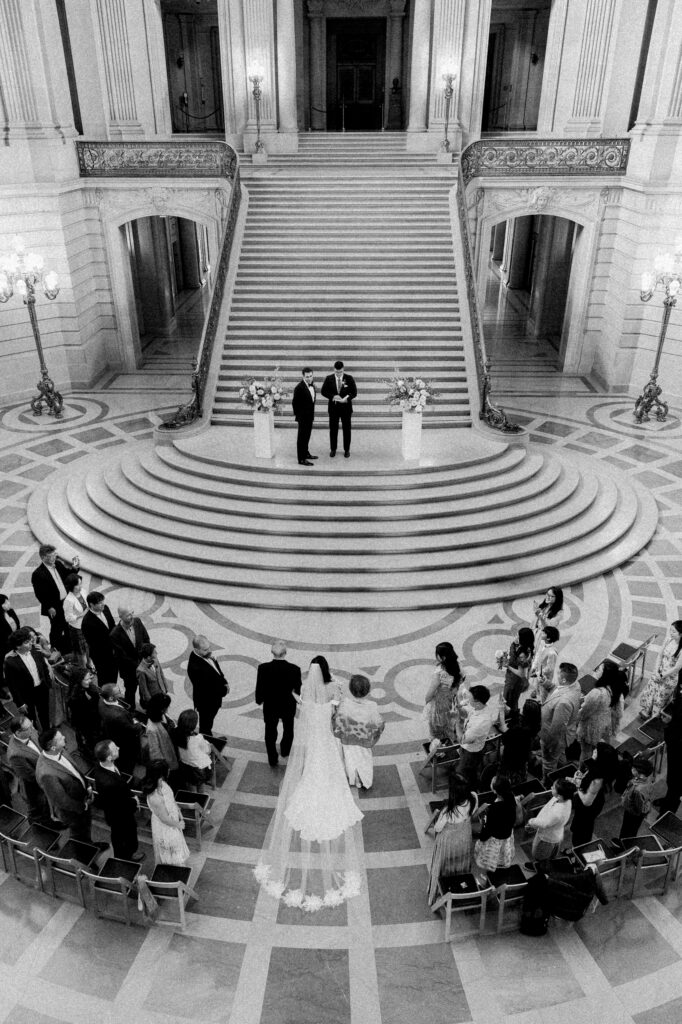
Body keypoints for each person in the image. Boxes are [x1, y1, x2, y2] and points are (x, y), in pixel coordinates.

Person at [254, 660, 364, 910]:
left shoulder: (305, 693)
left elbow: (301, 701)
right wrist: (332, 684)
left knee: (312, 767)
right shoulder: (333, 689)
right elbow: (338, 704)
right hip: (327, 737)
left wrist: (300, 695)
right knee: (329, 766)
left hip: (314, 739)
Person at [35, 727, 101, 845]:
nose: (65, 737)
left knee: (86, 830)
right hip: (73, 811)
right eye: (60, 738)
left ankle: (89, 845)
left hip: (82, 799)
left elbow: (75, 771)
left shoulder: (60, 750)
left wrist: (87, 786)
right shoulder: (46, 773)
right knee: (79, 834)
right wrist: (83, 807)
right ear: (53, 747)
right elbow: (62, 800)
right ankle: (82, 857)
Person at [427, 772, 478, 905]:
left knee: (441, 864)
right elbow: (472, 814)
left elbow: (437, 828)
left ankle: (438, 890)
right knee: (460, 860)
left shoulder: (448, 811)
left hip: (448, 841)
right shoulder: (473, 797)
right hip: (464, 836)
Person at [92, 739, 144, 861]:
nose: (119, 748)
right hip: (120, 815)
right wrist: (135, 802)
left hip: (115, 809)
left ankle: (125, 854)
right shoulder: (108, 783)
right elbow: (120, 803)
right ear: (109, 758)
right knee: (125, 836)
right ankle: (125, 859)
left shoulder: (103, 765)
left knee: (121, 836)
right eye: (115, 749)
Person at [255, 639, 302, 767]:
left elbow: (260, 687)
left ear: (272, 652)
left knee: (270, 731)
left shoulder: (263, 668)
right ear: (285, 652)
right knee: (288, 729)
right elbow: (298, 689)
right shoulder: (295, 669)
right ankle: (285, 751)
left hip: (270, 705)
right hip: (288, 705)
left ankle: (272, 757)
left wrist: (259, 700)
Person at [334, 674, 385, 789]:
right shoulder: (372, 705)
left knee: (350, 760)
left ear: (351, 690)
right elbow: (378, 723)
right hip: (364, 740)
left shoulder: (345, 703)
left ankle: (354, 779)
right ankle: (365, 780)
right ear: (368, 690)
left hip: (348, 740)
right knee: (364, 759)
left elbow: (338, 720)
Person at [30, 544, 79, 653]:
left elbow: (67, 574)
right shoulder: (38, 574)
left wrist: (75, 568)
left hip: (66, 601)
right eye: (52, 556)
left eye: (55, 555)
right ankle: (55, 649)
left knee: (68, 625)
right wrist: (49, 607)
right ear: (43, 557)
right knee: (57, 628)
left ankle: (68, 648)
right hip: (54, 606)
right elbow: (40, 594)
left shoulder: (57, 563)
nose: (55, 558)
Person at [570, 742, 619, 848]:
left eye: (597, 751)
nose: (594, 750)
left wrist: (578, 785)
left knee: (581, 830)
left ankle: (578, 852)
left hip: (589, 806)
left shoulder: (597, 779)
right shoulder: (599, 767)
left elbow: (587, 802)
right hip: (594, 798)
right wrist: (581, 777)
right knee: (583, 828)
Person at [4, 626, 52, 731]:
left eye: (29, 640)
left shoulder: (36, 650)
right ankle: (34, 734)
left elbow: (44, 667)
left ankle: (47, 733)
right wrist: (20, 703)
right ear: (17, 646)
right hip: (26, 694)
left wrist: (48, 682)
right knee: (31, 717)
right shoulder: (10, 662)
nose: (31, 643)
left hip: (42, 688)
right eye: (26, 642)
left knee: (44, 713)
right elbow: (12, 685)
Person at [539, 662, 582, 781]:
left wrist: (549, 746)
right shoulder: (575, 685)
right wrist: (546, 683)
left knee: (549, 762)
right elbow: (557, 689)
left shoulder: (564, 703)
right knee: (555, 757)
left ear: (563, 680)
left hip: (553, 738)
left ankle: (547, 782)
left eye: (558, 674)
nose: (556, 675)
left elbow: (557, 729)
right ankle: (557, 769)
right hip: (562, 734)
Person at [143, 760, 189, 865]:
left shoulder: (162, 783)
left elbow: (170, 799)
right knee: (170, 850)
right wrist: (179, 824)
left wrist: (177, 809)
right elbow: (164, 819)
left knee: (175, 849)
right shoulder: (155, 797)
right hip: (165, 827)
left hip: (172, 820)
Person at [6, 715, 50, 824]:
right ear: (18, 733)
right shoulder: (15, 754)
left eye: (31, 725)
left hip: (43, 772)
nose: (33, 729)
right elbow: (31, 776)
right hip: (33, 787)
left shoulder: (30, 731)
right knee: (37, 808)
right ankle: (37, 825)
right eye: (28, 728)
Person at [525, 777, 576, 868]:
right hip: (556, 834)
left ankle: (538, 867)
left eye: (553, 788)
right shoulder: (566, 799)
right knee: (550, 855)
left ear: (559, 796)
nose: (551, 787)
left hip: (547, 838)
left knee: (539, 856)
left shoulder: (558, 813)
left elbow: (544, 823)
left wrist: (531, 821)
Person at [187, 635, 229, 736]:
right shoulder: (195, 667)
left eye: (209, 647)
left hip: (213, 700)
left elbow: (215, 670)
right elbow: (209, 688)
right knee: (205, 727)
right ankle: (207, 741)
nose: (209, 651)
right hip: (206, 702)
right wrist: (224, 690)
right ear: (196, 649)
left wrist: (223, 680)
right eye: (205, 650)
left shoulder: (204, 655)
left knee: (208, 723)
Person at [639, 621, 682, 720]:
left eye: (674, 632)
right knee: (651, 691)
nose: (671, 633)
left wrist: (662, 675)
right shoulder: (668, 640)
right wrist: (656, 671)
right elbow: (660, 655)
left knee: (660, 698)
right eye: (670, 630)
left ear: (681, 634)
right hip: (659, 672)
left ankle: (654, 718)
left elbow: (677, 668)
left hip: (669, 678)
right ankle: (647, 710)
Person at [473, 774, 516, 873]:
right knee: (501, 855)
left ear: (495, 790)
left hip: (495, 838)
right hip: (506, 834)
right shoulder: (511, 798)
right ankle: (500, 867)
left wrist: (482, 836)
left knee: (491, 857)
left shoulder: (494, 808)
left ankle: (490, 874)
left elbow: (488, 827)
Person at [98, 683, 144, 775]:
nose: (120, 693)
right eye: (118, 692)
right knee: (130, 753)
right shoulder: (118, 716)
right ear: (111, 698)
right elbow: (131, 728)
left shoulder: (101, 701)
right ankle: (130, 769)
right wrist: (139, 725)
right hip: (125, 738)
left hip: (112, 732)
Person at [110, 606, 150, 709]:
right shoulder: (115, 634)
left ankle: (144, 704)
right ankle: (130, 709)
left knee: (144, 687)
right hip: (129, 670)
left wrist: (146, 658)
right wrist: (138, 666)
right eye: (128, 615)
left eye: (132, 613)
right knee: (130, 690)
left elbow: (146, 639)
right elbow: (121, 656)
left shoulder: (137, 621)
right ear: (120, 617)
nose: (131, 616)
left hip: (142, 665)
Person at [654, 672, 682, 815]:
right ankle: (668, 799)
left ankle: (668, 811)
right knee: (672, 777)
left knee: (677, 780)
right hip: (675, 738)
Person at [424, 641, 462, 745]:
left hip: (439, 704)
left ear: (443, 657)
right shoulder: (457, 666)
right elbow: (459, 682)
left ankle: (438, 749)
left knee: (436, 729)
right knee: (448, 725)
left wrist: (427, 701)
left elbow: (430, 693)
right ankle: (448, 742)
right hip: (451, 701)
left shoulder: (440, 673)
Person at [458, 685, 494, 786]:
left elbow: (463, 739)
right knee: (470, 771)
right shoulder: (480, 707)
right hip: (469, 746)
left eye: (470, 700)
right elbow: (467, 714)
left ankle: (469, 791)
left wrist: (457, 722)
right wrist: (459, 708)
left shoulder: (482, 722)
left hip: (471, 752)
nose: (468, 702)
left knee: (464, 774)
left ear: (477, 703)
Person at [320, 359, 357, 459]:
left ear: (343, 370)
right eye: (337, 372)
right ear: (334, 370)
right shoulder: (329, 378)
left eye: (340, 372)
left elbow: (354, 392)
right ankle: (333, 449)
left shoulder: (349, 378)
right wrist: (333, 396)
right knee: (333, 430)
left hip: (346, 408)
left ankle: (347, 450)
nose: (339, 374)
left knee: (347, 430)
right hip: (333, 409)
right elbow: (323, 391)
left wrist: (347, 398)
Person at [81, 591, 117, 685]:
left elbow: (113, 626)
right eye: (100, 603)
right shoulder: (86, 623)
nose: (103, 604)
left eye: (103, 601)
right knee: (104, 678)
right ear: (92, 605)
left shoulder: (106, 609)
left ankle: (113, 690)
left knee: (114, 675)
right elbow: (94, 644)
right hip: (102, 656)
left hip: (114, 652)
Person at [576, 671, 612, 762]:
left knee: (585, 751)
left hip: (590, 727)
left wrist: (576, 719)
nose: (597, 670)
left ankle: (581, 771)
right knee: (590, 748)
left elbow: (585, 711)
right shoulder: (609, 689)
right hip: (600, 723)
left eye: (600, 669)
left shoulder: (596, 692)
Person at [66, 665, 102, 755]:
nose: (90, 681)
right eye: (86, 679)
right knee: (89, 741)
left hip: (91, 720)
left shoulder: (88, 688)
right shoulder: (75, 697)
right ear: (78, 681)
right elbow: (83, 715)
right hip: (85, 722)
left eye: (89, 678)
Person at [502, 627, 534, 723]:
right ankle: (512, 716)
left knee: (508, 699)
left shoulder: (522, 654)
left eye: (518, 635)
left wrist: (507, 666)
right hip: (516, 680)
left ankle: (509, 718)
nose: (516, 636)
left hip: (514, 680)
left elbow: (521, 673)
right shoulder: (527, 647)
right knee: (513, 699)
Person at [174, 708, 212, 790]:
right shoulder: (198, 738)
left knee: (191, 786)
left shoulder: (176, 734)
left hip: (185, 765)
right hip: (198, 767)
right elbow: (207, 750)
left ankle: (193, 799)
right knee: (201, 786)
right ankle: (201, 801)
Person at [619, 755, 654, 838]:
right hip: (633, 809)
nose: (632, 770)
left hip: (633, 814)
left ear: (641, 775)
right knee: (628, 830)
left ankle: (623, 846)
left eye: (634, 770)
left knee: (628, 831)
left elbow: (639, 808)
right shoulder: (645, 779)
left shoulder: (638, 790)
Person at [145, 694, 178, 774]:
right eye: (167, 706)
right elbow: (155, 752)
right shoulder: (151, 729)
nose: (168, 708)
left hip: (171, 750)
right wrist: (163, 768)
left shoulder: (163, 715)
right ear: (162, 709)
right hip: (166, 761)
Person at [292, 366, 317, 466]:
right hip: (303, 418)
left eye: (311, 376)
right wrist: (300, 417)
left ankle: (306, 453)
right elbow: (294, 404)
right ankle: (301, 459)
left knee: (307, 436)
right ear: (303, 376)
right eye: (307, 376)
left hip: (310, 417)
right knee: (301, 438)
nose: (309, 378)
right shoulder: (299, 388)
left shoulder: (312, 386)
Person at [601, 660, 630, 741]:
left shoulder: (613, 692)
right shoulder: (621, 675)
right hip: (612, 710)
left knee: (609, 732)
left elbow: (619, 713)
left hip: (612, 714)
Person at [63, 574, 88, 666]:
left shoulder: (83, 592)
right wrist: (81, 615)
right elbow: (68, 618)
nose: (80, 586)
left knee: (88, 646)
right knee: (82, 651)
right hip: (77, 628)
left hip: (87, 624)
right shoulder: (68, 600)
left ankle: (90, 663)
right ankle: (84, 669)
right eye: (77, 585)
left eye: (80, 583)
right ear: (71, 586)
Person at [528, 625, 560, 698]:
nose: (542, 633)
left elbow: (550, 668)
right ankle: (536, 691)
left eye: (544, 633)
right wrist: (533, 666)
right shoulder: (542, 644)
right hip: (538, 671)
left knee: (543, 694)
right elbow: (538, 655)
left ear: (548, 638)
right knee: (536, 684)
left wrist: (537, 673)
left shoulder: (552, 653)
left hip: (545, 678)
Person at [136, 643, 169, 708]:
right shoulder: (141, 671)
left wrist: (165, 688)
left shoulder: (155, 660)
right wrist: (151, 703)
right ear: (148, 657)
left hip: (162, 692)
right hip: (154, 698)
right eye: (154, 652)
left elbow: (161, 674)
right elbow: (144, 689)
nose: (157, 653)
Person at [0, 593, 20, 669]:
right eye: (5, 602)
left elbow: (17, 624)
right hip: (6, 645)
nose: (8, 603)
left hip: (16, 640)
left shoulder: (10, 611)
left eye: (8, 601)